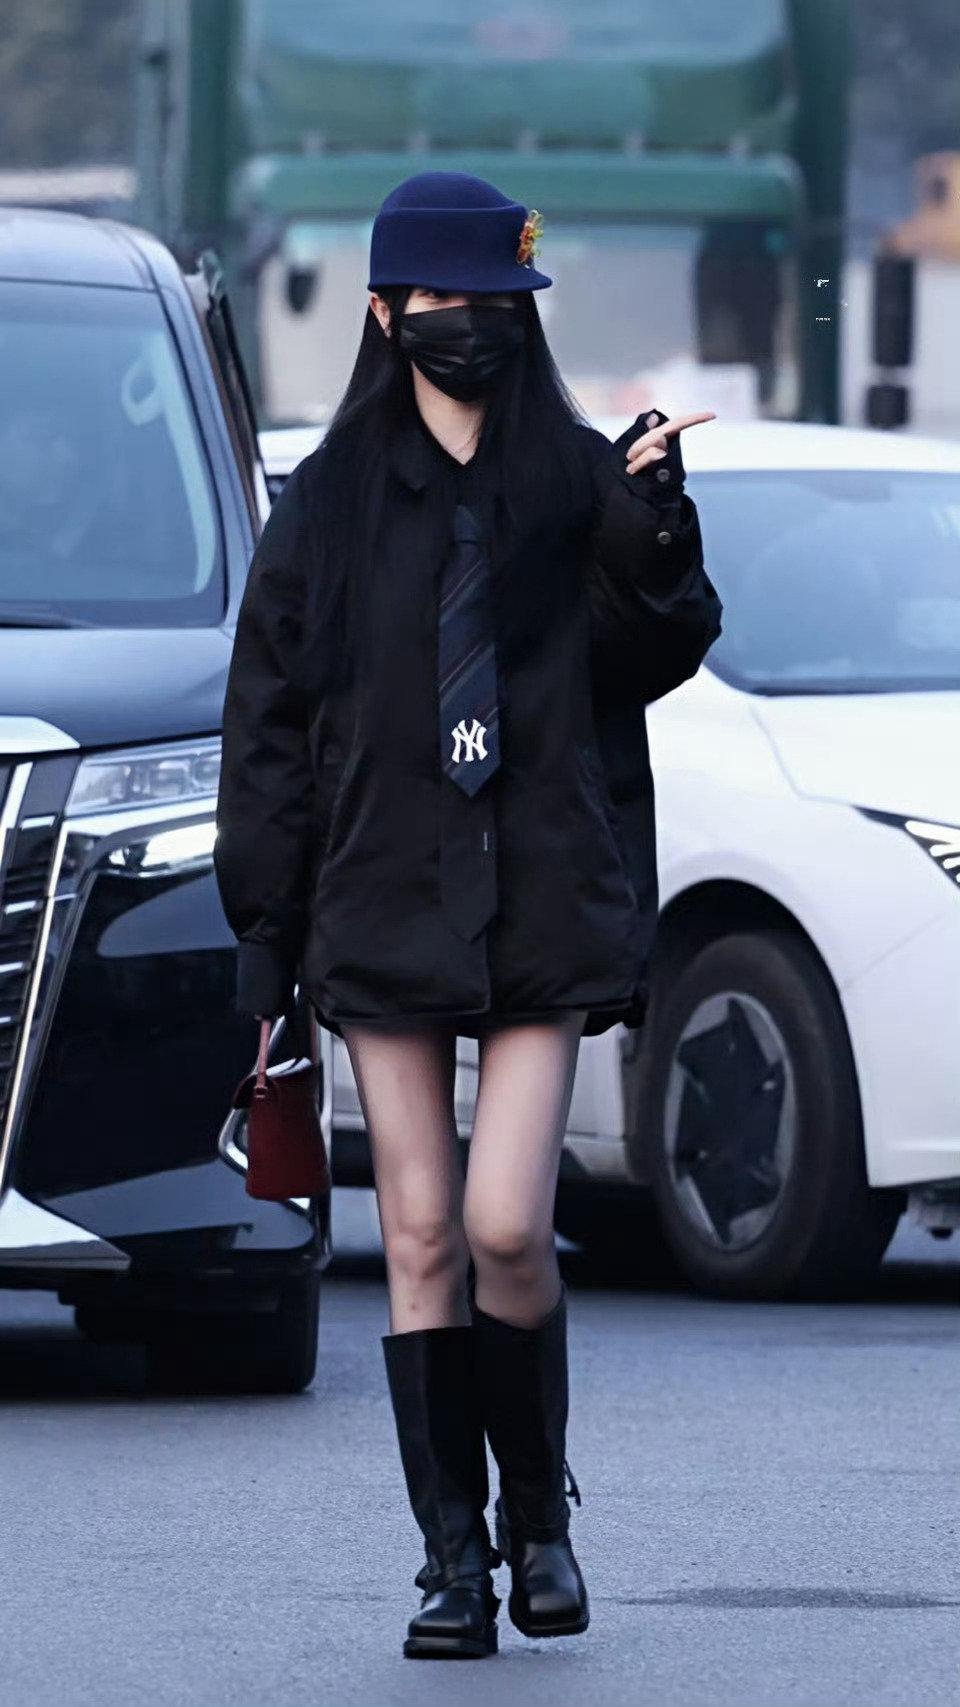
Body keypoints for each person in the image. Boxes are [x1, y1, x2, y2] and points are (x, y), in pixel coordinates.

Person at [214, 172, 722, 1660]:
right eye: (443, 304)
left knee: (506, 1223)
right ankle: (453, 1564)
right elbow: (269, 726)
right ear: (386, 315)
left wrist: (652, 527)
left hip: (540, 897)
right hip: (378, 899)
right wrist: (264, 932)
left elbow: (657, 652)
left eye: (497, 305)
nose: (471, 327)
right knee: (422, 1231)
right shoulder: (324, 503)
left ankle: (540, 1520)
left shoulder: (577, 480)